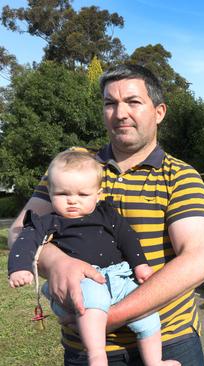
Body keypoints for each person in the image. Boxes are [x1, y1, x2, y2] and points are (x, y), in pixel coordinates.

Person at [7, 64, 204, 365]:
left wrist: (107, 317)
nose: (120, 113)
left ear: (159, 112)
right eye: (110, 103)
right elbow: (19, 231)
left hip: (169, 341)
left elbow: (200, 259)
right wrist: (59, 262)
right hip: (86, 350)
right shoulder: (73, 165)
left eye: (133, 102)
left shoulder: (180, 176)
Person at [8, 151, 178, 366]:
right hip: (82, 282)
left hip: (119, 277)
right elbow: (25, 240)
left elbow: (127, 238)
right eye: (62, 194)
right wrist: (20, 267)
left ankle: (155, 361)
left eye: (82, 195)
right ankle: (97, 356)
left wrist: (140, 265)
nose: (72, 201)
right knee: (92, 303)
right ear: (50, 193)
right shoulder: (48, 221)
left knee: (148, 317)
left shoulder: (107, 214)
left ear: (98, 195)